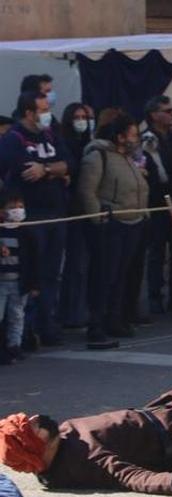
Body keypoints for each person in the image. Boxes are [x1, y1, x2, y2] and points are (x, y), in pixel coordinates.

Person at [0, 371, 172, 495]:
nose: (36, 418)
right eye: (31, 426)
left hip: (164, 410)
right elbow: (126, 475)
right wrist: (170, 483)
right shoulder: (80, 460)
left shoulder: (60, 436)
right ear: (35, 447)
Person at [0, 92, 68, 349]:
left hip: (56, 214)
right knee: (31, 276)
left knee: (52, 275)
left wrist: (48, 169)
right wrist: (55, 169)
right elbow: (21, 169)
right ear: (28, 112)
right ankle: (23, 333)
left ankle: (46, 326)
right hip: (29, 217)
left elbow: (68, 162)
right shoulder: (13, 138)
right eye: (42, 109)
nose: (47, 113)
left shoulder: (51, 134)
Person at [77, 111, 147, 349]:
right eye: (133, 134)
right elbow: (88, 190)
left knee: (121, 276)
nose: (136, 139)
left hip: (133, 222)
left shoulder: (126, 157)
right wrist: (99, 219)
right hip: (111, 224)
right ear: (120, 136)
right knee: (104, 276)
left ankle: (114, 319)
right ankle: (96, 323)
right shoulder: (98, 156)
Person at [139, 96, 172, 315]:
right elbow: (154, 169)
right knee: (157, 251)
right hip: (158, 200)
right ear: (153, 115)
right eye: (166, 111)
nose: (171, 114)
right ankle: (155, 297)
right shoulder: (148, 139)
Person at [56, 103, 94, 329]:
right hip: (71, 210)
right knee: (74, 265)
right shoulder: (65, 144)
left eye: (85, 117)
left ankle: (79, 310)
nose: (82, 120)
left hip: (87, 210)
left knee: (84, 265)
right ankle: (69, 313)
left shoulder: (89, 143)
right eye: (77, 117)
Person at [0, 191, 36, 365]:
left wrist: (34, 284)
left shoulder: (27, 233)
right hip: (1, 282)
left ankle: (15, 346)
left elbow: (34, 261)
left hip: (19, 283)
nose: (17, 211)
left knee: (17, 316)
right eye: (12, 208)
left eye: (20, 207)